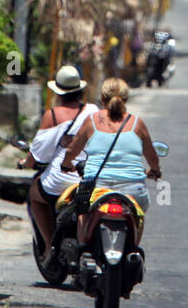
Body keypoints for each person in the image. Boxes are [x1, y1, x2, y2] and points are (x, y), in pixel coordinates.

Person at [22, 65, 97, 263]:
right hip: (90, 178)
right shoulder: (93, 111)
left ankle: (48, 246)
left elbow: (38, 153)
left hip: (60, 179)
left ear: (58, 92)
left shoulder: (52, 115)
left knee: (34, 195)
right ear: (80, 90)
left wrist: (26, 163)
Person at [62, 77, 161, 215]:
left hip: (97, 189)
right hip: (133, 190)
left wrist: (66, 164)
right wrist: (154, 170)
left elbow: (72, 151)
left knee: (82, 217)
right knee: (137, 221)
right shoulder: (137, 123)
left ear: (102, 98)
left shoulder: (92, 121)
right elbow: (152, 158)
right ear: (126, 98)